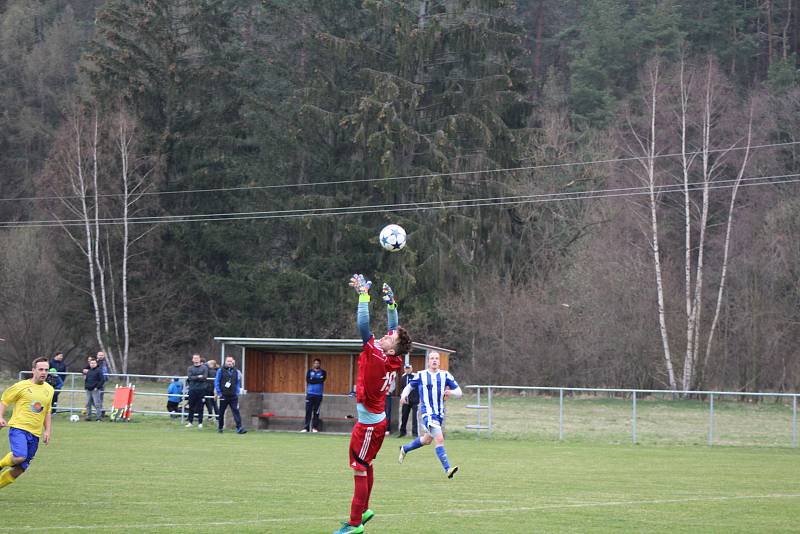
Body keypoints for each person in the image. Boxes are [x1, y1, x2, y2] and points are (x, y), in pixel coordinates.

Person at [333, 276, 411, 534]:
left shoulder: (378, 356)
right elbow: (395, 330)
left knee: (359, 469)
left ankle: (355, 524)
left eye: (390, 337)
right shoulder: (393, 359)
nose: (386, 335)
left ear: (390, 350)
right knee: (366, 465)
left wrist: (364, 295)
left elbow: (363, 326)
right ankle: (364, 510)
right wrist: (391, 305)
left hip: (368, 426)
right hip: (375, 421)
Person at [398, 351, 462, 478]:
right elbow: (409, 387)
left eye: (436, 359)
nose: (434, 361)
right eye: (432, 358)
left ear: (439, 361)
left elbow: (459, 392)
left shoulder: (445, 375)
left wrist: (451, 392)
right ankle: (447, 469)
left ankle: (405, 449)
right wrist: (403, 395)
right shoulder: (421, 375)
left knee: (427, 440)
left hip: (439, 414)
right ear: (428, 361)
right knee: (439, 439)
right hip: (427, 413)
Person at [0, 357, 54, 490]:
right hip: (19, 428)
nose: (43, 372)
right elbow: (4, 400)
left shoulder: (49, 389)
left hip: (35, 434)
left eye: (46, 370)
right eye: (40, 369)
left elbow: (47, 411)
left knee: (19, 469)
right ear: (33, 370)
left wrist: (47, 431)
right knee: (19, 456)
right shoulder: (21, 386)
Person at [214, 356, 247, 434]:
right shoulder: (220, 370)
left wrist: (237, 391)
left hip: (233, 396)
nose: (229, 363)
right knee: (221, 412)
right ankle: (220, 427)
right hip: (223, 395)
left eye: (230, 361)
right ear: (225, 362)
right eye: (228, 361)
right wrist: (219, 392)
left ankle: (239, 428)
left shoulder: (236, 371)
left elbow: (237, 383)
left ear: (233, 362)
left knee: (236, 411)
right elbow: (217, 382)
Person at [302, 358, 327, 432]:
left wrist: (313, 380)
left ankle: (314, 428)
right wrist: (316, 380)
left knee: (316, 412)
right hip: (310, 394)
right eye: (315, 363)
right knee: (308, 411)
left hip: (318, 395)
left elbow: (322, 380)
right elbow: (308, 380)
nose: (316, 364)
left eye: (318, 363)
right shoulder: (309, 371)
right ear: (313, 364)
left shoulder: (323, 372)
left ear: (320, 364)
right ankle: (306, 428)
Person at [185, 354, 208, 428]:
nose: (196, 359)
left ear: (199, 359)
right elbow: (190, 377)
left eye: (197, 358)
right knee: (191, 406)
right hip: (192, 389)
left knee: (200, 406)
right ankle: (190, 422)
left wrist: (196, 377)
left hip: (201, 390)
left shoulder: (204, 368)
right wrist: (198, 377)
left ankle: (200, 423)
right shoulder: (190, 368)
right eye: (194, 358)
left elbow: (204, 377)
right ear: (192, 359)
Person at [397, 363, 419, 437]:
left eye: (409, 368)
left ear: (411, 369)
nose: (407, 370)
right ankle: (402, 432)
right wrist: (402, 397)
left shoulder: (415, 376)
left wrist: (418, 397)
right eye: (406, 368)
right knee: (404, 416)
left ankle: (415, 433)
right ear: (404, 369)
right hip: (406, 400)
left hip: (414, 400)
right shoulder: (403, 377)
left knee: (415, 417)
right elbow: (401, 388)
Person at [84, 357, 106, 421]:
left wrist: (97, 387)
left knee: (97, 404)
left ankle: (98, 417)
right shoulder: (89, 371)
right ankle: (88, 417)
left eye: (94, 363)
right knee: (88, 404)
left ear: (96, 364)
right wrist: (86, 387)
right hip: (88, 390)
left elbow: (102, 380)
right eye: (91, 363)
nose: (92, 364)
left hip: (95, 390)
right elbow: (86, 380)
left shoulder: (99, 371)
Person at [204, 359, 219, 424]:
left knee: (210, 403)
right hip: (212, 389)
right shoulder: (215, 371)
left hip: (210, 389)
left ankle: (212, 416)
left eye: (208, 364)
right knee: (213, 403)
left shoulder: (211, 371)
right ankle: (215, 417)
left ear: (212, 365)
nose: (206, 365)